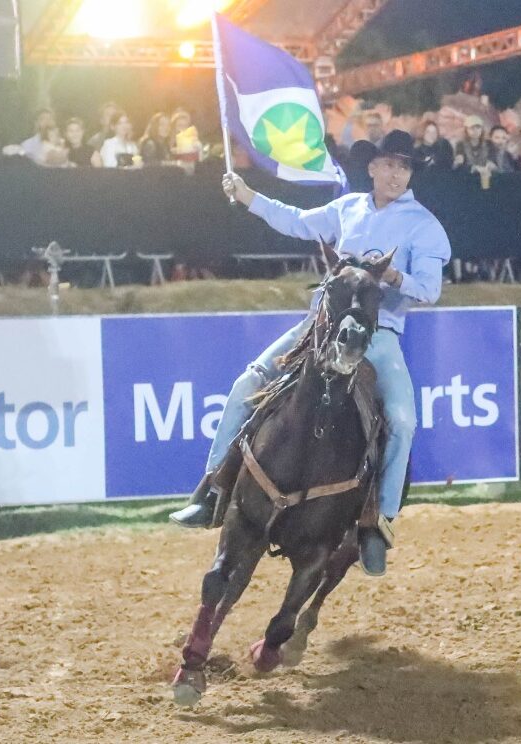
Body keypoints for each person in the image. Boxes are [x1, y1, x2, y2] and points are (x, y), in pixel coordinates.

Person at [170, 130, 452, 577]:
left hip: (379, 335)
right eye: (388, 165)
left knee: (402, 420)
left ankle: (379, 524)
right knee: (247, 383)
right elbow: (298, 221)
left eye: (404, 166)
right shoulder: (348, 208)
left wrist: (397, 279)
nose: (396, 174)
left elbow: (431, 290)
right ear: (372, 168)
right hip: (319, 327)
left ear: (410, 173)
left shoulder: (425, 225)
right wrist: (247, 196)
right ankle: (210, 493)